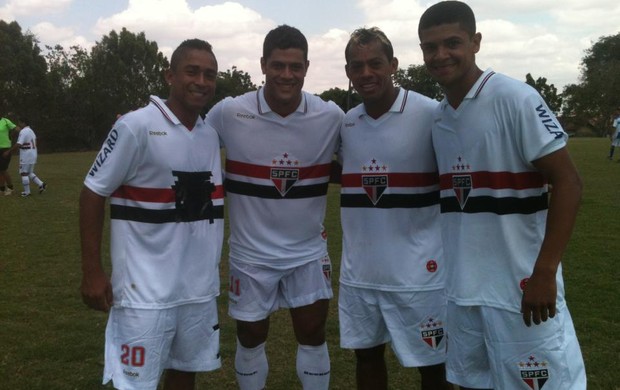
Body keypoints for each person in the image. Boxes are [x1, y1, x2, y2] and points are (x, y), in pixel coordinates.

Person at [418, 2, 587, 389]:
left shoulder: (516, 98)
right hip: (464, 291)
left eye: (452, 43)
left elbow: (569, 182)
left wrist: (544, 272)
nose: (440, 55)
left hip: (522, 288)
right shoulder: (441, 116)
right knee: (475, 383)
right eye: (430, 47)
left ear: (476, 42)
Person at [79, 39, 224, 390]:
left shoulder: (209, 134)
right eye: (192, 71)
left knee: (185, 373)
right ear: (170, 75)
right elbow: (92, 192)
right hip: (144, 293)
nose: (201, 81)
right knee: (135, 384)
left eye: (209, 74)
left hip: (198, 290)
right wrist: (93, 271)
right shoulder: (136, 125)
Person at [206, 25, 343, 390]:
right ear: (263, 64)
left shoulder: (330, 116)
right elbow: (190, 137)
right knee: (251, 335)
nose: (287, 75)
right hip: (250, 254)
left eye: (295, 67)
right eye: (278, 65)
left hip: (308, 251)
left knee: (313, 333)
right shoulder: (230, 112)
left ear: (307, 67)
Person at [336, 27, 451, 390]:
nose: (366, 73)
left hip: (419, 274)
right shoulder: (348, 122)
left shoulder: (430, 114)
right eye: (357, 66)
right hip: (360, 273)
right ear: (348, 72)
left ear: (394, 65)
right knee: (367, 357)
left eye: (375, 63)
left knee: (434, 365)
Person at [2, 118, 46, 197]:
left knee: (23, 173)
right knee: (30, 172)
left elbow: (19, 144)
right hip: (33, 153)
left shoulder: (23, 131)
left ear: (24, 123)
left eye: (20, 123)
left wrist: (9, 151)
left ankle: (27, 192)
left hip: (26, 155)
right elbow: (35, 141)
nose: (19, 125)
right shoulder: (31, 131)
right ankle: (41, 184)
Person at [0, 115, 19, 195]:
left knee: (3, 169)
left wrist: (11, 136)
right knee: (0, 170)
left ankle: (11, 188)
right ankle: (2, 189)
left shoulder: (5, 121)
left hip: (5, 149)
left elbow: (17, 129)